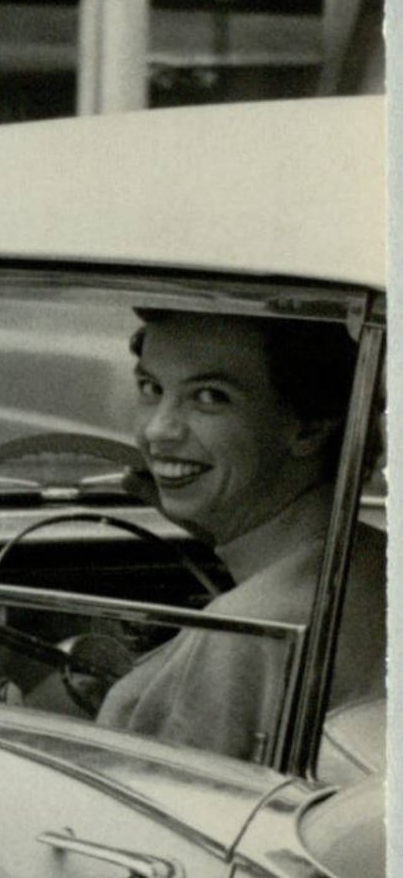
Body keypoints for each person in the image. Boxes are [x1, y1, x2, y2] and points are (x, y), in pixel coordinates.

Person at [94, 310, 376, 762]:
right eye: (151, 388)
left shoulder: (244, 632)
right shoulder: (374, 564)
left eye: (209, 397)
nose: (156, 431)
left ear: (309, 428)